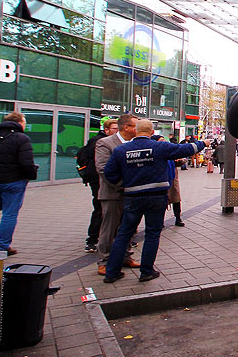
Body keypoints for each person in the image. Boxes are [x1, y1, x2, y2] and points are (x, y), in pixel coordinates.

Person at [103, 120, 206, 283]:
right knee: (152, 233)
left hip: (132, 197)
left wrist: (124, 184)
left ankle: (112, 272)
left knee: (124, 234)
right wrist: (203, 143)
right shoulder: (160, 147)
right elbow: (185, 149)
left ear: (136, 131)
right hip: (156, 197)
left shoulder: (121, 150)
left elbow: (109, 173)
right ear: (152, 132)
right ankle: (146, 271)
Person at [0, 112, 36, 255]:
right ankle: (3, 246)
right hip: (13, 181)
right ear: (19, 123)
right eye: (24, 122)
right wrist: (31, 175)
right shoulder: (21, 138)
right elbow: (26, 162)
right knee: (9, 214)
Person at [94, 113, 140, 276]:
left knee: (128, 227)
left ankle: (125, 256)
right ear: (126, 127)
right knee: (109, 229)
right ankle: (104, 261)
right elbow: (103, 169)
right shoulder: (105, 143)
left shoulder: (135, 143)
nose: (138, 129)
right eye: (135, 126)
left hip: (132, 194)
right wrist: (124, 184)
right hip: (113, 193)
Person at [77, 117, 117, 253]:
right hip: (98, 180)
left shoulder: (109, 141)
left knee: (108, 209)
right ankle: (92, 239)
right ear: (106, 130)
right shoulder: (99, 142)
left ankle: (107, 237)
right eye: (114, 129)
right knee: (100, 208)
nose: (116, 131)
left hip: (103, 180)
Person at [152, 135, 185, 227]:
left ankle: (178, 218)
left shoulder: (169, 151)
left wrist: (179, 161)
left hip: (172, 179)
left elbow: (180, 161)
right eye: (161, 140)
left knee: (176, 199)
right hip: (161, 180)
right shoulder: (155, 153)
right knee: (162, 201)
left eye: (164, 140)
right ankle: (160, 221)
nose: (164, 142)